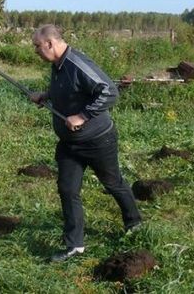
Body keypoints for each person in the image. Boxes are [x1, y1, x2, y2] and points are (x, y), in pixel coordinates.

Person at [29, 24, 141, 262]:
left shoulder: (77, 63)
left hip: (97, 140)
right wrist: (45, 95)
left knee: (113, 183)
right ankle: (75, 245)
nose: (36, 51)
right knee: (67, 189)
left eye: (37, 46)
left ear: (50, 43)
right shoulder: (57, 65)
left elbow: (109, 91)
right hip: (70, 143)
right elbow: (70, 90)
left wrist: (81, 116)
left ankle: (135, 223)